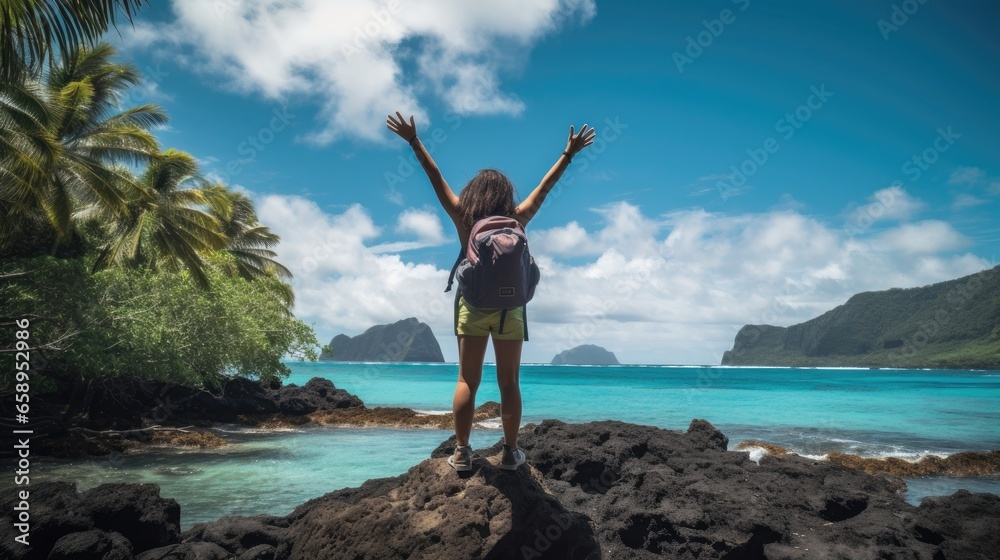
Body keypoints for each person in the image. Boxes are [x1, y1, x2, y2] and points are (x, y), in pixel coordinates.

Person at [386, 111, 596, 471]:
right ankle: (511, 452)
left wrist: (414, 141)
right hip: (511, 310)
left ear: (474, 194)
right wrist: (568, 155)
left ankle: (463, 452)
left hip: (471, 304)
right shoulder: (519, 218)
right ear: (504, 194)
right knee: (509, 381)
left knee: (468, 378)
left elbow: (434, 177)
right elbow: (545, 189)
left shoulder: (463, 217)